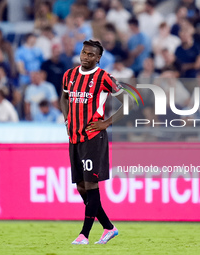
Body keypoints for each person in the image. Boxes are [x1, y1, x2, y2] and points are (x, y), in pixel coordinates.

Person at [60, 40, 130, 245]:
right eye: (84, 52)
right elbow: (63, 98)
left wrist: (106, 123)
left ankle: (84, 235)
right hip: (74, 137)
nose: (86, 57)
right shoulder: (69, 75)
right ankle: (109, 227)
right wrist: (67, 119)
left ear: (98, 58)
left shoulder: (104, 78)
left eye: (91, 55)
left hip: (93, 137)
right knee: (81, 186)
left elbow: (129, 102)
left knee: (91, 184)